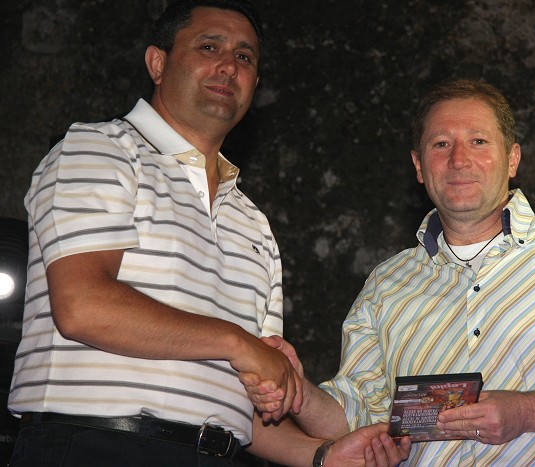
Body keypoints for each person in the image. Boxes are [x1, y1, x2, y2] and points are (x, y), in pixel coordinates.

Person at [7, 1, 409, 466]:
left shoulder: (253, 222)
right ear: (158, 63)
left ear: (255, 84)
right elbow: (83, 307)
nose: (229, 66)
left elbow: (243, 401)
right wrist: (237, 342)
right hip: (97, 444)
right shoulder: (99, 149)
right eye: (209, 47)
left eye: (245, 57)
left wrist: (323, 456)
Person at [247, 79, 535, 465]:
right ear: (419, 166)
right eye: (440, 144)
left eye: (478, 141)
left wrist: (525, 412)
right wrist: (297, 389)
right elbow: (357, 416)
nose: (458, 159)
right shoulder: (386, 284)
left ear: (512, 159)